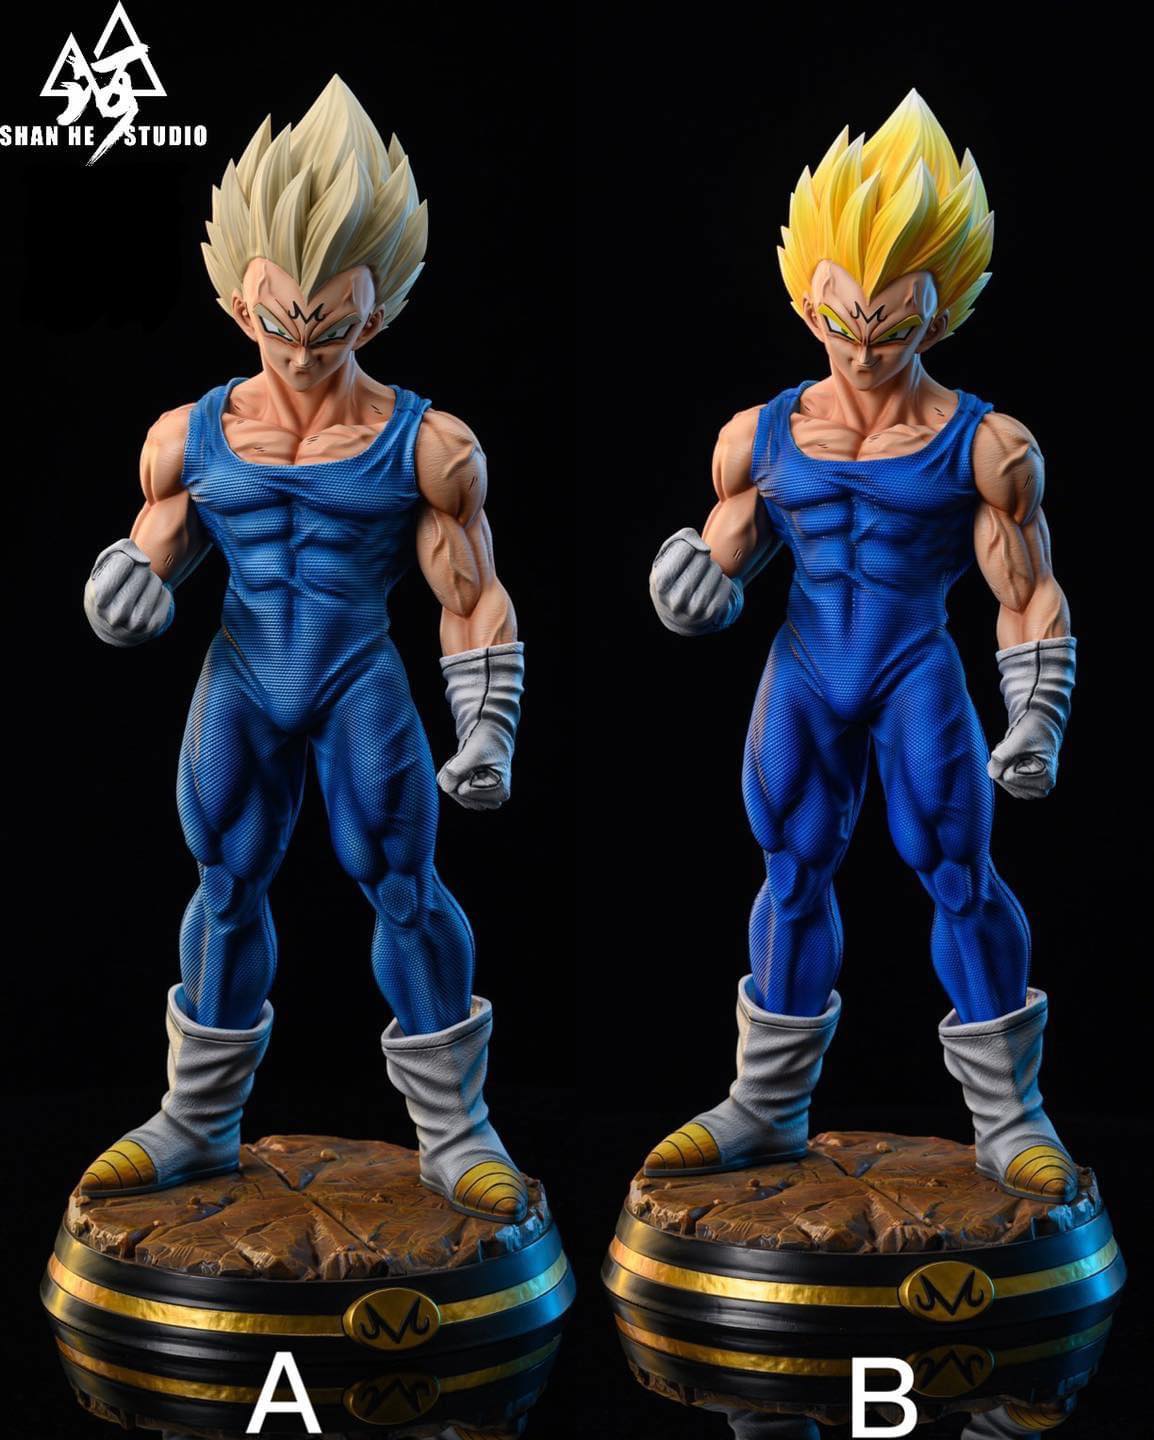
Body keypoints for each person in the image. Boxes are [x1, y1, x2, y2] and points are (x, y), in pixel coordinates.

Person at [80, 76, 529, 1223]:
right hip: (241, 677)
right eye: (279, 322)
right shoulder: (187, 435)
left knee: (403, 887)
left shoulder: (428, 446)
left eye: (328, 326)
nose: (300, 348)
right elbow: (154, 547)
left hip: (353, 681)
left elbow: (471, 594)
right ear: (238, 300)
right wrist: (122, 585)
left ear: (374, 313)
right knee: (225, 884)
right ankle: (194, 1123)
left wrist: (486, 725)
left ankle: (456, 1131)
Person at [646, 90, 1078, 1204]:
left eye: (892, 326)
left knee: (956, 868)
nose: (865, 349)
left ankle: (1010, 1116)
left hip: (910, 670)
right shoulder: (759, 434)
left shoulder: (987, 446)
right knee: (790, 868)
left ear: (941, 310)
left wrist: (1036, 712)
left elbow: (1026, 591)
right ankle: (764, 1106)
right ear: (807, 300)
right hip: (803, 670)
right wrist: (689, 589)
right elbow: (724, 555)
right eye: (843, 323)